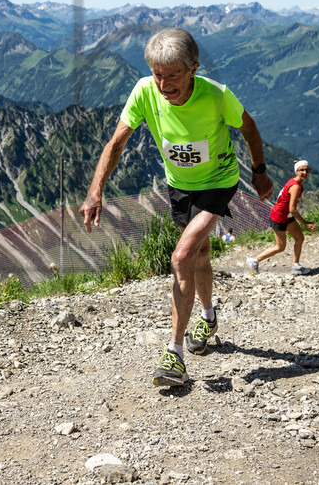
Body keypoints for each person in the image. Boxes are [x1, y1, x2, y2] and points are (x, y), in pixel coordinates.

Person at [79, 27, 274, 388]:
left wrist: (259, 172)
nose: (163, 84)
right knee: (199, 254)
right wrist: (96, 191)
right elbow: (116, 143)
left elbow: (249, 128)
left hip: (218, 182)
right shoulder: (143, 92)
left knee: (182, 257)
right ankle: (209, 316)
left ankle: (175, 354)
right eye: (157, 74)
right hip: (179, 186)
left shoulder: (216, 96)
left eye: (173, 75)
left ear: (194, 69)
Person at [246, 160, 318, 276]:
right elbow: (292, 209)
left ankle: (296, 266)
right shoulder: (295, 186)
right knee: (280, 247)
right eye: (301, 170)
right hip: (279, 217)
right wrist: (306, 223)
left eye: (307, 170)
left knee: (299, 238)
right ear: (296, 171)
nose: (304, 172)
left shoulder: (296, 182)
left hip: (286, 216)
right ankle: (254, 260)